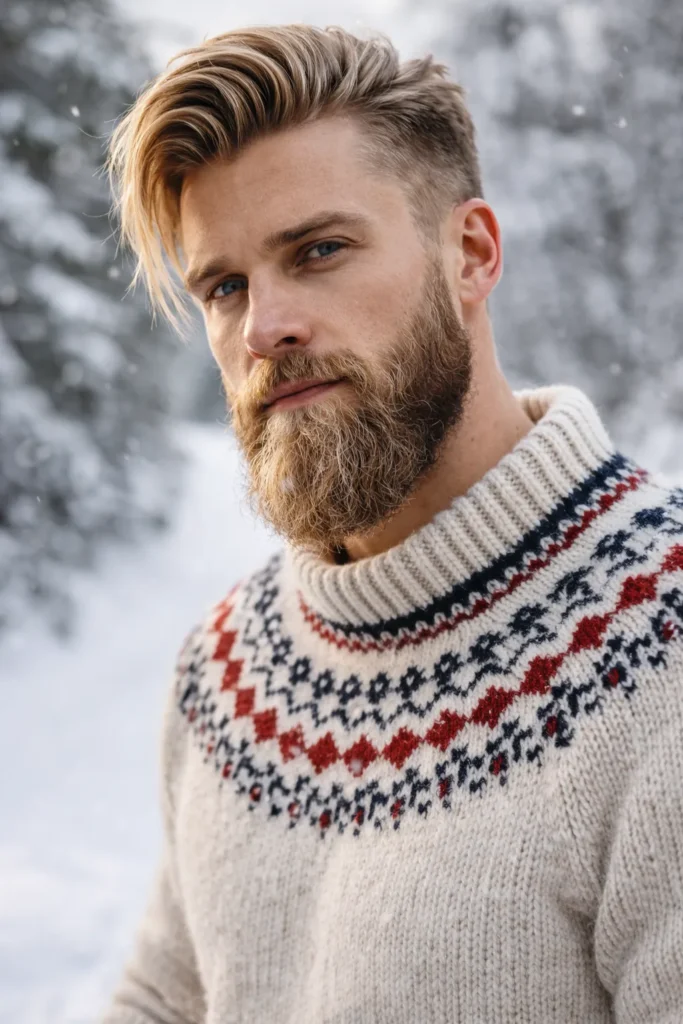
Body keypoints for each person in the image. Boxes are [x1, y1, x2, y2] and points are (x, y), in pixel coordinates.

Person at [101, 24, 683, 1024]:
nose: (263, 327)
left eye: (317, 250)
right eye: (224, 286)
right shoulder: (225, 668)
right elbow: (165, 998)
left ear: (470, 253)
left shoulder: (659, 653)